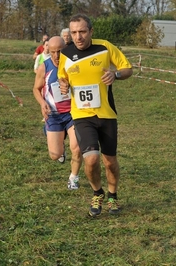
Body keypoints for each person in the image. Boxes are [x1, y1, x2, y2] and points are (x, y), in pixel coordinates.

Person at [58, 14, 133, 216]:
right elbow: (62, 78)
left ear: (91, 31)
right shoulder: (66, 53)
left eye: (82, 31)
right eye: (74, 32)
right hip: (82, 116)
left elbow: (127, 69)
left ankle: (113, 196)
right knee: (91, 159)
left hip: (107, 115)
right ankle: (97, 192)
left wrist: (115, 74)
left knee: (110, 161)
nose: (78, 36)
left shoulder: (105, 47)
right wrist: (63, 84)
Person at [33, 36, 82, 190]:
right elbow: (36, 89)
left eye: (60, 51)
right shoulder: (44, 67)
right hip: (53, 114)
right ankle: (55, 137)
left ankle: (73, 178)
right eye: (53, 52)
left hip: (73, 113)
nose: (56, 56)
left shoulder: (74, 65)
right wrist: (42, 103)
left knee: (77, 147)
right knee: (55, 155)